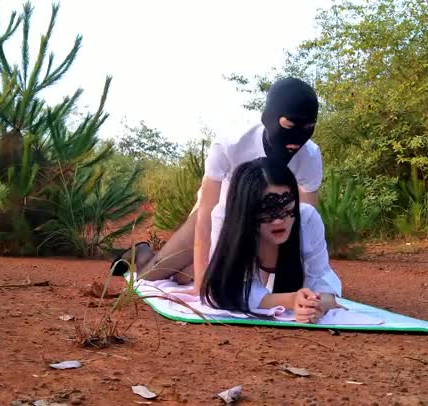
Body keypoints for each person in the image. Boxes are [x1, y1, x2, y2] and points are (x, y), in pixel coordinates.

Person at [111, 77, 324, 289]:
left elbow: (306, 222)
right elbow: (205, 215)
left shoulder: (310, 157)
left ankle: (190, 269)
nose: (297, 138)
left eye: (309, 127)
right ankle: (143, 253)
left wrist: (293, 285)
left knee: (186, 277)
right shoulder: (231, 143)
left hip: (262, 225)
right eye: (288, 125)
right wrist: (201, 284)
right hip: (219, 214)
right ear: (269, 118)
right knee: (152, 275)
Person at [200, 157, 342, 323]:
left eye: (286, 205)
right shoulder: (225, 218)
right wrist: (291, 300)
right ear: (246, 210)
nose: (278, 220)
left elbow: (323, 280)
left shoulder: (307, 220)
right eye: (266, 209)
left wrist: (315, 305)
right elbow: (224, 289)